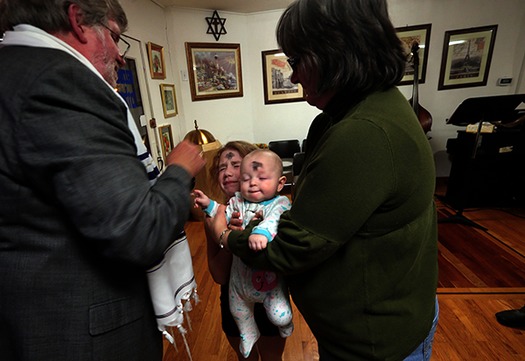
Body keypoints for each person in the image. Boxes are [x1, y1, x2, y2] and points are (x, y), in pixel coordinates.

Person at [211, 0, 439, 360]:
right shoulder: (358, 112)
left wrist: (225, 235)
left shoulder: (364, 133)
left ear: (334, 52)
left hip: (374, 344)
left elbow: (290, 249)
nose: (293, 76)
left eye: (296, 61)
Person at [0, 1, 205, 360]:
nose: (120, 56)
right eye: (115, 37)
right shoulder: (60, 80)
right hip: (80, 334)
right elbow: (138, 230)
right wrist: (178, 170)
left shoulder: (12, 72)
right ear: (78, 21)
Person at [194, 149, 293, 358]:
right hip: (236, 295)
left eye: (236, 165)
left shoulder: (276, 207)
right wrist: (226, 234)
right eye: (222, 167)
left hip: (270, 289)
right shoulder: (216, 216)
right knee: (245, 356)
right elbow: (219, 276)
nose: (228, 172)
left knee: (271, 356)